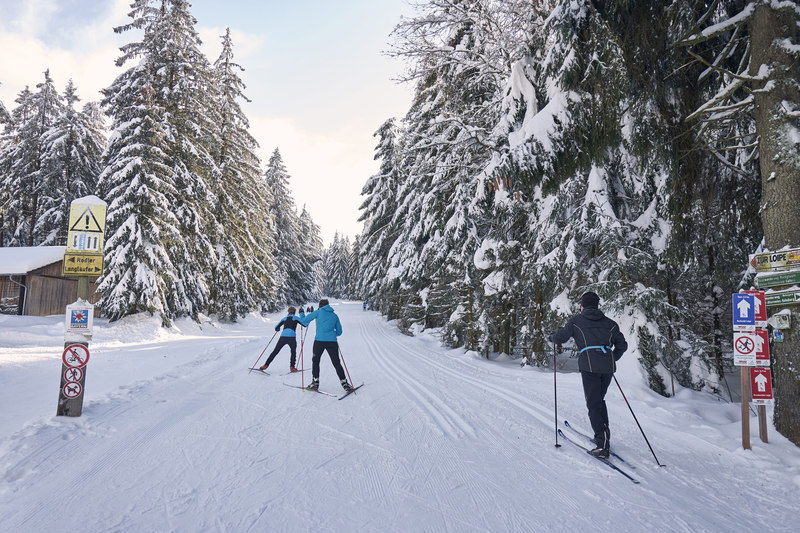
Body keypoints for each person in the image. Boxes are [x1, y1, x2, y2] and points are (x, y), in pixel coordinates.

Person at [548, 291, 627, 458]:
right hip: (607, 368)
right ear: (597, 305)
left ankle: (602, 444)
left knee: (594, 404)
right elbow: (622, 345)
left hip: (589, 367)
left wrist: (552, 337)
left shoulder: (577, 321)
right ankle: (603, 437)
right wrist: (612, 358)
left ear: (582, 306)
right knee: (599, 401)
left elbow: (561, 337)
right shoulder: (610, 324)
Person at [298, 299, 352, 392]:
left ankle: (315, 382)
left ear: (320, 305)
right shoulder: (334, 315)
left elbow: (303, 321)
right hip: (332, 342)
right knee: (336, 363)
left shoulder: (318, 312)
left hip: (319, 341)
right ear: (328, 305)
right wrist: (332, 334)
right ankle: (344, 383)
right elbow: (339, 332)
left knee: (316, 361)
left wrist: (301, 313)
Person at [260, 306, 303, 372]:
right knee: (293, 352)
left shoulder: (284, 318)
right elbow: (305, 324)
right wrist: (302, 313)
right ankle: (292, 367)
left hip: (283, 337)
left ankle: (266, 365)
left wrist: (278, 328)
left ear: (288, 312)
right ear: (294, 312)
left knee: (275, 351)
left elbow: (276, 327)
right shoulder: (296, 318)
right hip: (292, 337)